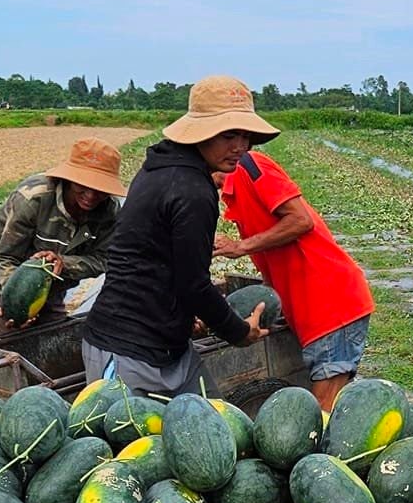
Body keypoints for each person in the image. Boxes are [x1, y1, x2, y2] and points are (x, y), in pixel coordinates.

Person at [81, 76, 272, 396]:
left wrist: (181, 315)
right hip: (128, 350)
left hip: (170, 347)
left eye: (246, 135)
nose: (240, 146)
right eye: (229, 134)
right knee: (136, 443)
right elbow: (193, 284)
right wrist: (240, 332)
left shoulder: (160, 169)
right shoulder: (193, 190)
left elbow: (162, 263)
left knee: (213, 432)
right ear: (202, 132)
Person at [217, 148, 375, 409]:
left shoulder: (251, 166)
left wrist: (241, 246)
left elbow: (301, 220)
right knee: (324, 411)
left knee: (320, 413)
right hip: (310, 310)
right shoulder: (232, 193)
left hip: (331, 305)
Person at [0, 137, 126, 335]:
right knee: (11, 342)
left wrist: (63, 263)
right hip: (6, 273)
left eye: (99, 190)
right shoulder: (34, 198)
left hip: (54, 283)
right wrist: (14, 302)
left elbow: (104, 259)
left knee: (52, 339)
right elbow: (8, 257)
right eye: (83, 186)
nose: (91, 196)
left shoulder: (109, 212)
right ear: (69, 179)